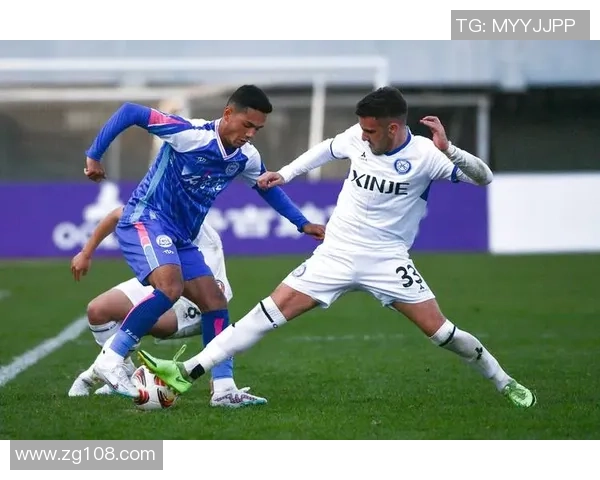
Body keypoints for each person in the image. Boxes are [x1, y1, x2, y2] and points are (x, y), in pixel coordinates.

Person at [138, 86, 537, 409]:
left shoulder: (426, 156)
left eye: (371, 131)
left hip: (387, 260)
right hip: (336, 253)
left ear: (393, 128)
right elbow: (326, 149)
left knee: (442, 333)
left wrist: (449, 149)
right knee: (265, 314)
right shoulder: (357, 137)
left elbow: (483, 178)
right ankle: (185, 373)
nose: (362, 136)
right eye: (361, 129)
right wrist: (286, 174)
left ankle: (505, 381)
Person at [83, 85, 325, 398]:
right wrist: (94, 155)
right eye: (247, 125)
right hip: (146, 218)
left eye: (258, 129)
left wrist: (302, 223)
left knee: (215, 303)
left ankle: (223, 388)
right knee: (169, 288)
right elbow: (131, 111)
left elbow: (267, 188)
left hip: (181, 236)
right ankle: (111, 359)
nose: (251, 134)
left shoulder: (246, 157)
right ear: (228, 113)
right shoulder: (189, 134)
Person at [67, 206, 270, 408]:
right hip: (165, 284)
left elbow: (215, 300)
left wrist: (220, 370)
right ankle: (123, 371)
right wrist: (86, 253)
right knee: (97, 310)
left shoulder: (205, 241)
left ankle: (94, 373)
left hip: (192, 307)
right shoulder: (155, 207)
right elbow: (116, 215)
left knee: (147, 318)